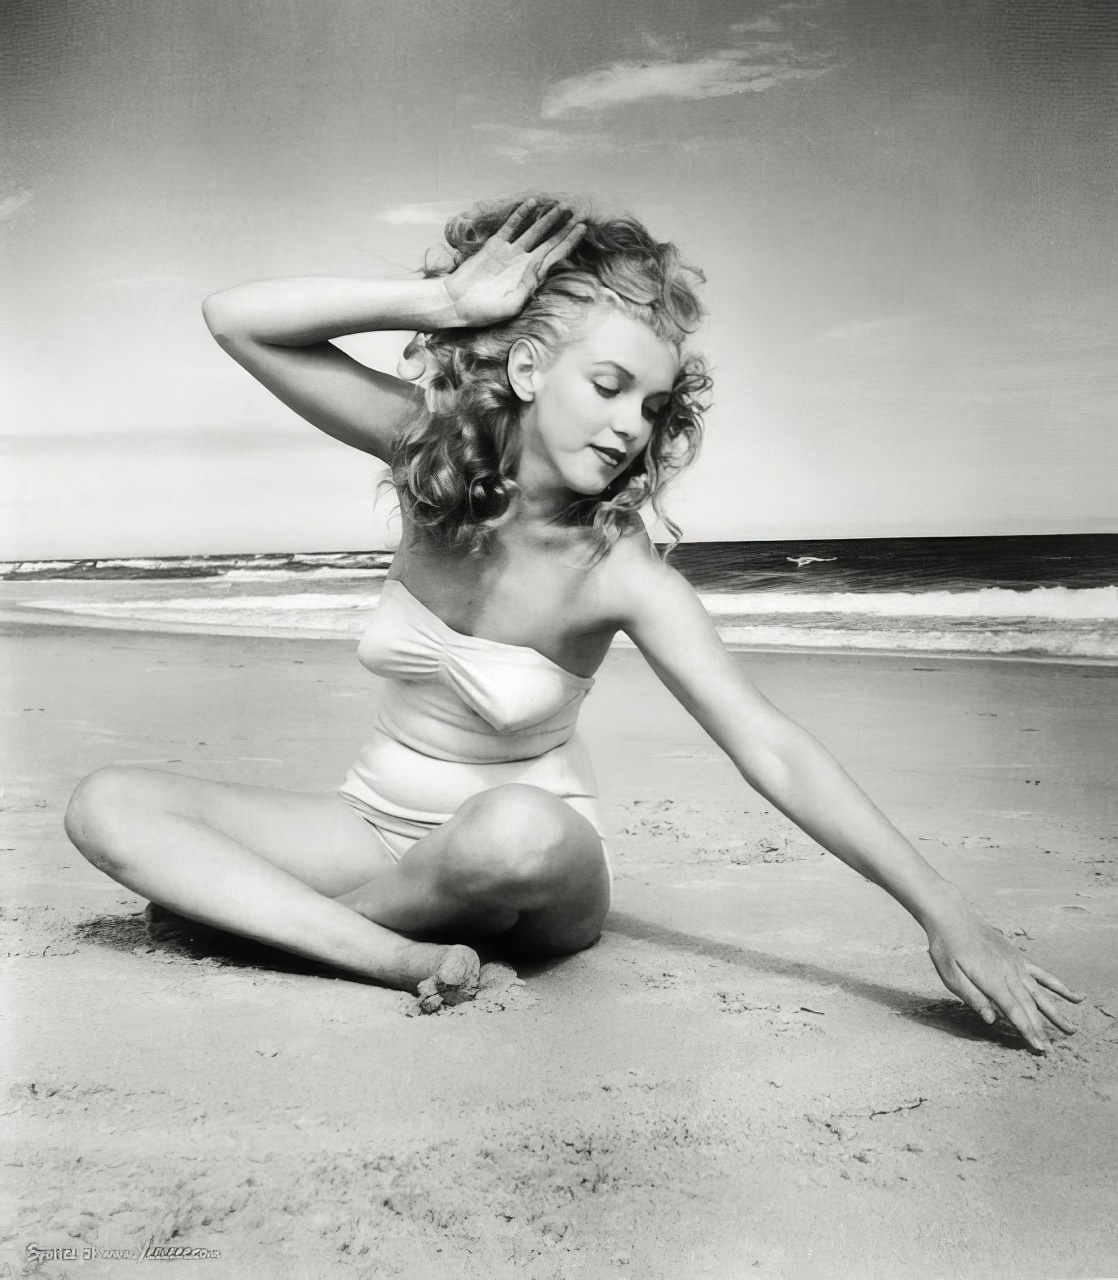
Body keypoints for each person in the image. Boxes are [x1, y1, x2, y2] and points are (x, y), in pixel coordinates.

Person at [64, 195, 1082, 1043]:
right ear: (523, 370)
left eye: (649, 405)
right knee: (108, 802)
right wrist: (440, 301)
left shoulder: (619, 573)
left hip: (537, 867)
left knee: (505, 832)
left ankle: (269, 928)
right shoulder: (421, 457)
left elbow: (768, 742)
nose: (628, 426)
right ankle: (387, 952)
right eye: (607, 385)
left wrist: (943, 908)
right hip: (370, 829)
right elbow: (233, 317)